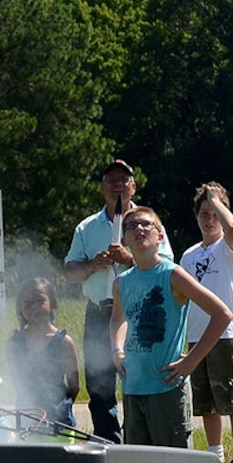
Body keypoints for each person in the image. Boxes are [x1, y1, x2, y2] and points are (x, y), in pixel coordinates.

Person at [111, 206, 232, 463]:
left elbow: (221, 315)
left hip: (167, 386)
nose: (139, 229)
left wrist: (192, 361)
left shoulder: (172, 275)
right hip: (134, 388)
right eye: (131, 225)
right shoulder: (122, 282)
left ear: (160, 236)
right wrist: (116, 349)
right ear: (124, 240)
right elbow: (118, 319)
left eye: (146, 225)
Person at [64, 160, 170, 443]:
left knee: (140, 378)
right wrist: (92, 265)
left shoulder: (148, 222)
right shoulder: (87, 228)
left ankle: (142, 441)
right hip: (100, 313)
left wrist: (130, 259)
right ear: (102, 188)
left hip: (139, 314)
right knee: (99, 385)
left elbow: (169, 265)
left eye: (124, 179)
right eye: (111, 179)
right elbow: (69, 273)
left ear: (133, 186)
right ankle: (109, 446)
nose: (118, 185)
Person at [179, 182, 233, 463]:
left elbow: (232, 227)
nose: (210, 220)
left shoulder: (229, 247)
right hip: (196, 335)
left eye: (215, 214)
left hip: (225, 335)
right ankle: (214, 455)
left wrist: (216, 199)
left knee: (232, 397)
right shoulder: (189, 255)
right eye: (204, 213)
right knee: (206, 401)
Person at [7, 276, 79, 463]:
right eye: (28, 302)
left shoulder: (64, 342)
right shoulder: (14, 343)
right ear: (20, 309)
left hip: (59, 421)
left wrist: (55, 404)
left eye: (40, 300)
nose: (34, 307)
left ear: (52, 303)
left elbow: (74, 386)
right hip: (26, 421)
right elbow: (17, 381)